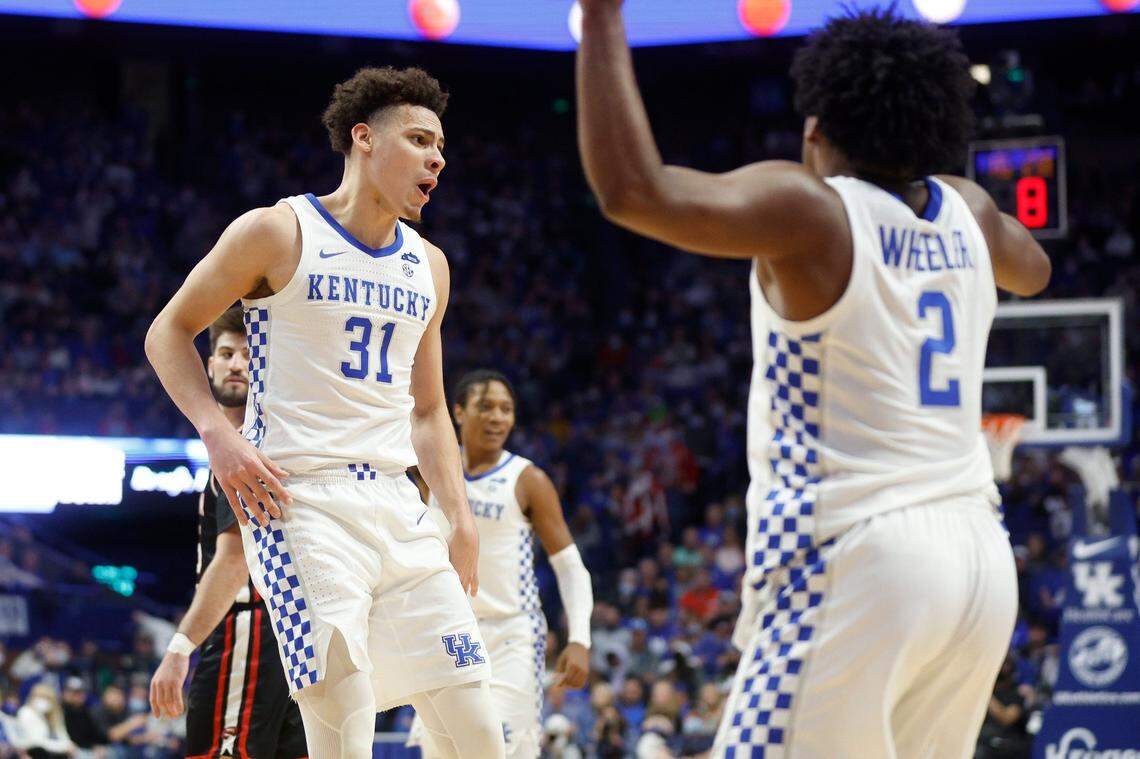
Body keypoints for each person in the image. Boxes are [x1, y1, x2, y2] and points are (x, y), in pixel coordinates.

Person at [576, 2, 1051, 756]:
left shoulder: (813, 212)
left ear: (817, 131)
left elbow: (633, 192)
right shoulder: (974, 211)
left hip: (859, 554)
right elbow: (1036, 270)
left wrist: (600, 16)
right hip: (979, 562)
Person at [145, 66, 504, 758]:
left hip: (399, 507)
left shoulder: (429, 265)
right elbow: (168, 331)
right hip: (299, 502)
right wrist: (217, 434)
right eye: (420, 139)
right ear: (364, 139)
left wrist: (457, 513)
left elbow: (428, 410)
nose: (438, 157)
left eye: (442, 146)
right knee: (345, 726)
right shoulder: (277, 231)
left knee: (478, 731)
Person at [407, 370, 593, 758]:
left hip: (511, 634)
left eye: (506, 409)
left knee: (504, 748)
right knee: (442, 751)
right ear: (457, 412)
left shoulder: (527, 479)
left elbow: (570, 567)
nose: (497, 417)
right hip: (445, 628)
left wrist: (579, 638)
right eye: (486, 406)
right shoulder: (428, 468)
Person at [148, 307, 306, 758]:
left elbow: (234, 562)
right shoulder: (271, 442)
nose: (237, 363)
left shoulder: (248, 453)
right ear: (209, 364)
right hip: (294, 638)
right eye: (226, 353)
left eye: (249, 354)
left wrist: (180, 647)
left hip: (250, 630)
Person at [16, 683, 77, 759]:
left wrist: (69, 745)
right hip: (36, 754)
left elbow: (63, 736)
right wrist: (64, 747)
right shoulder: (26, 712)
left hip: (57, 755)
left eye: (46, 698)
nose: (42, 700)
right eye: (38, 696)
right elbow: (36, 742)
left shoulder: (55, 714)